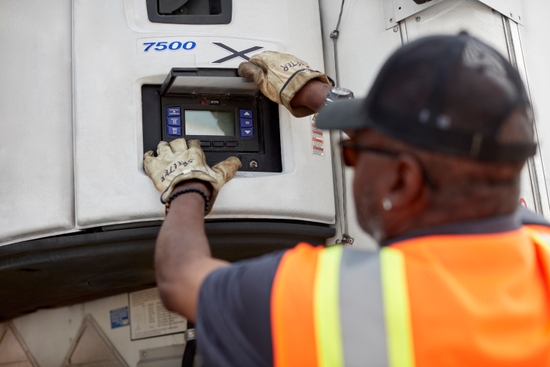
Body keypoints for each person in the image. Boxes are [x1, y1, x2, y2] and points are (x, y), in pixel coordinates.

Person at [143, 33, 550, 366]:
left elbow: (181, 279)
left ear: (402, 180)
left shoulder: (328, 297)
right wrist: (325, 98)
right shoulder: (539, 247)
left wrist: (187, 187)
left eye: (357, 154)